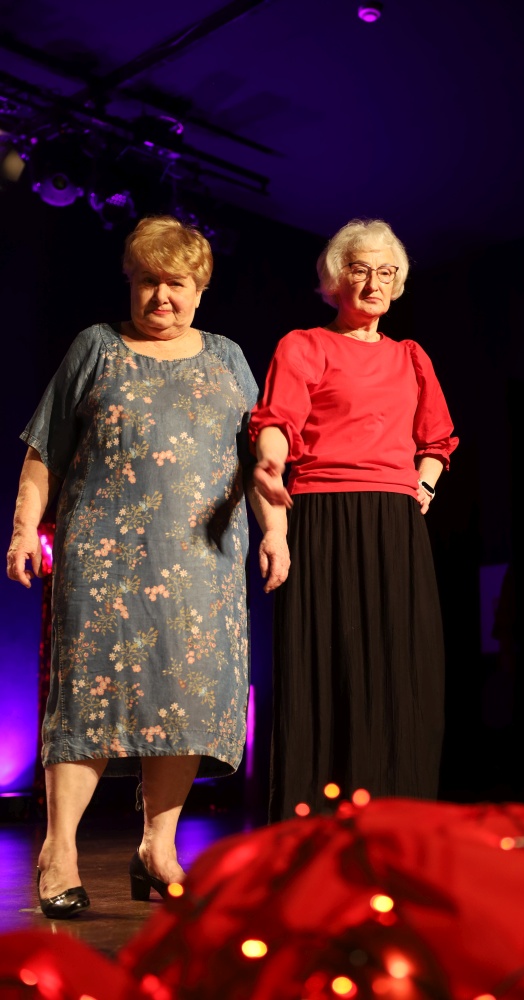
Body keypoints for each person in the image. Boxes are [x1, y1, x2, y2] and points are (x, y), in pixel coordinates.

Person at [5, 215, 289, 918]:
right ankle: (59, 853)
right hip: (103, 561)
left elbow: (259, 461)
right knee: (86, 702)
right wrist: (22, 527)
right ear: (129, 282)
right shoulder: (96, 347)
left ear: (200, 289)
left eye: (177, 283)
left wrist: (275, 532)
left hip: (201, 564)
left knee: (185, 701)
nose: (162, 296)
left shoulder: (228, 357)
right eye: (148, 281)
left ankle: (157, 850)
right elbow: (45, 447)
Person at [249, 218, 459, 822]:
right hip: (324, 514)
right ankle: (314, 829)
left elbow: (437, 439)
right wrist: (269, 462)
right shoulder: (305, 345)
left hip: (395, 522)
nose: (374, 283)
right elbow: (276, 421)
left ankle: (395, 825)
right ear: (335, 279)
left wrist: (422, 484)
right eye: (361, 270)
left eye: (386, 272)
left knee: (400, 669)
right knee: (327, 668)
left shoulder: (411, 356)